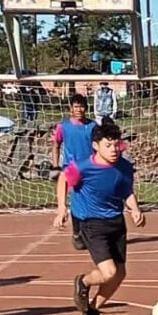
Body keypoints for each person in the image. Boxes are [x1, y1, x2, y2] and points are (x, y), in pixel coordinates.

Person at [61, 122, 145, 315]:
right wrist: (61, 207)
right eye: (109, 145)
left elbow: (126, 190)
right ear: (96, 146)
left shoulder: (124, 167)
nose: (114, 150)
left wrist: (135, 209)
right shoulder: (82, 167)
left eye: (117, 145)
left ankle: (92, 311)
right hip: (92, 223)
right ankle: (84, 282)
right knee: (108, 272)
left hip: (116, 221)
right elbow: (63, 179)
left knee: (120, 274)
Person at [52, 94, 98, 251]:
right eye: (76, 106)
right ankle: (77, 232)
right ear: (71, 108)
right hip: (71, 169)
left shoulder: (92, 126)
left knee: (92, 200)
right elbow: (56, 145)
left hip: (90, 168)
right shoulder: (63, 127)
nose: (79, 109)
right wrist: (55, 166)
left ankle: (92, 231)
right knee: (77, 201)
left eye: (82, 106)